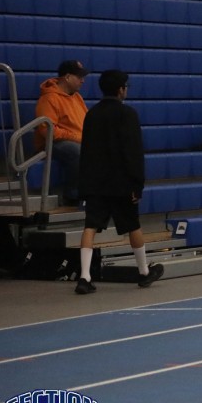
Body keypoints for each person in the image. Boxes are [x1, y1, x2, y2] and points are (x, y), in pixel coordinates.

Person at [75, 70, 164, 294]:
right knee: (133, 225)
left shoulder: (91, 114)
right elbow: (133, 153)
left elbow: (85, 152)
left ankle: (84, 276)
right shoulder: (128, 114)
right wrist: (137, 184)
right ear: (120, 89)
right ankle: (143, 272)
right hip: (121, 183)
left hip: (95, 182)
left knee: (90, 226)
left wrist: (84, 184)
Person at [35, 60, 90, 205]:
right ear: (67, 77)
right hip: (52, 144)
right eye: (79, 77)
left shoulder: (77, 97)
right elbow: (47, 131)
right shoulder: (49, 98)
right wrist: (77, 137)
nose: (83, 81)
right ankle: (73, 195)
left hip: (77, 140)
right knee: (76, 151)